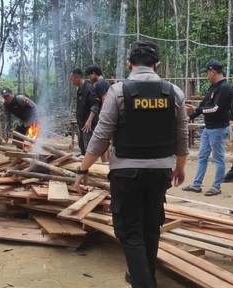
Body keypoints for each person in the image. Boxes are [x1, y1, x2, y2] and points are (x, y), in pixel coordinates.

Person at [74, 40, 188, 288]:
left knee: (129, 230)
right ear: (156, 65)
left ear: (129, 64)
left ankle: (143, 282)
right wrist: (180, 166)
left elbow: (101, 136)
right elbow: (182, 135)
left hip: (126, 174)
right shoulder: (174, 92)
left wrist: (83, 169)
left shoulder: (118, 91)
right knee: (151, 226)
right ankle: (145, 275)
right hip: (161, 173)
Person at [182, 59, 233, 197]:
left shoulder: (225, 88)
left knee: (218, 158)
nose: (206, 76)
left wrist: (197, 109)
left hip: (218, 128)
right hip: (208, 128)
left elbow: (215, 108)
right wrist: (190, 117)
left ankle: (216, 186)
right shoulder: (213, 87)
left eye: (207, 73)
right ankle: (196, 184)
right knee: (202, 156)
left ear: (213, 71)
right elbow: (205, 105)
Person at [70, 68, 100, 155]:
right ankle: (83, 167)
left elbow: (95, 105)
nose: (72, 82)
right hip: (82, 125)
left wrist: (89, 121)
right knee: (82, 147)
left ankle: (91, 167)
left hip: (88, 126)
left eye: (72, 79)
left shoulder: (89, 88)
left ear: (77, 77)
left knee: (88, 149)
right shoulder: (79, 89)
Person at [86, 65, 111, 162]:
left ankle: (105, 163)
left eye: (89, 75)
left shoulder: (100, 84)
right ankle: (107, 162)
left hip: (102, 116)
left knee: (101, 141)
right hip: (106, 115)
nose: (89, 78)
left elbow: (105, 99)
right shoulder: (104, 82)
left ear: (94, 73)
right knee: (106, 141)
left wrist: (102, 115)